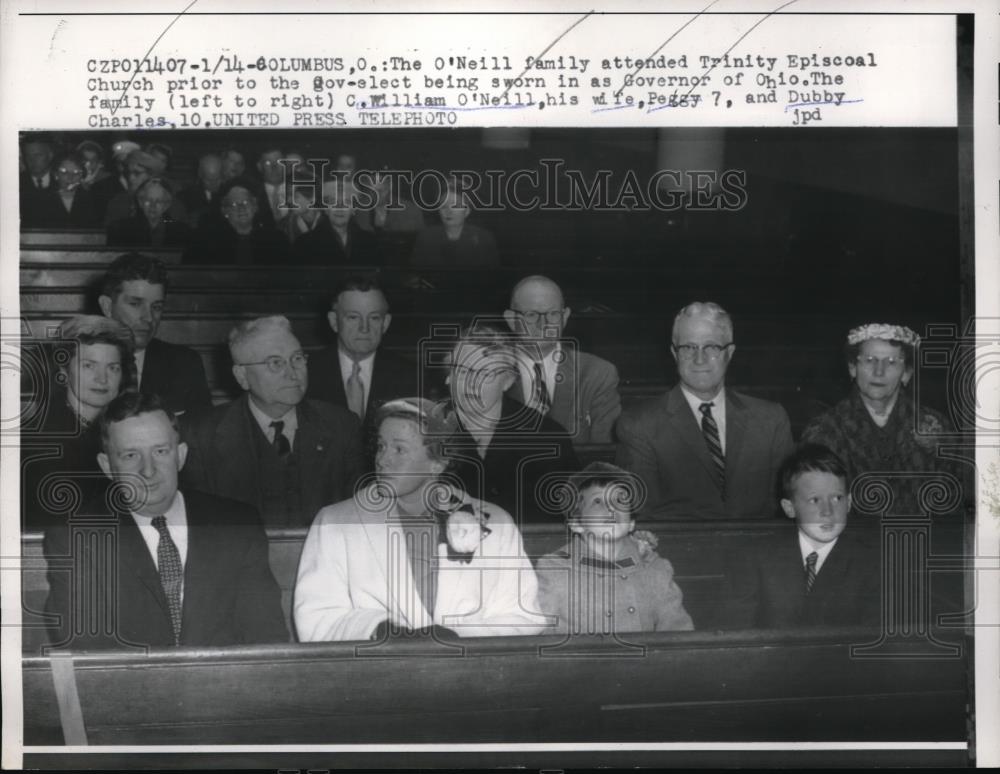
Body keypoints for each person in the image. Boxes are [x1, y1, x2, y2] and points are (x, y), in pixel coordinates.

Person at [42, 392, 288, 650]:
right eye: (130, 456)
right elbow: (87, 650)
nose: (148, 470)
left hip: (226, 685)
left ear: (180, 455)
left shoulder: (236, 525)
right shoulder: (76, 538)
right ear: (106, 466)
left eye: (160, 451)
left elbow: (266, 637)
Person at [294, 397, 545, 641]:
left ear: (438, 463)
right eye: (381, 446)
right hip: (376, 673)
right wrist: (379, 630)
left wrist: (458, 638)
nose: (382, 459)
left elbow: (521, 616)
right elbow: (317, 619)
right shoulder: (336, 523)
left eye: (399, 449)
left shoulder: (494, 524)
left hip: (470, 674)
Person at [615, 301, 794, 520]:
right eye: (688, 347)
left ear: (729, 353)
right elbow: (645, 515)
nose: (699, 359)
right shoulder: (639, 424)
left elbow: (785, 509)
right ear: (674, 353)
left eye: (711, 347)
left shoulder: (770, 420)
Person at [180, 316, 363, 529]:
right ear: (242, 376)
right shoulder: (201, 435)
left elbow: (356, 520)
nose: (292, 373)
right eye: (275, 363)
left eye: (297, 359)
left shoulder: (342, 426)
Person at [801, 323, 959, 517]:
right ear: (852, 368)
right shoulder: (824, 430)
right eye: (869, 360)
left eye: (891, 362)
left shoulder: (937, 426)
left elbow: (952, 506)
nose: (879, 371)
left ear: (907, 373)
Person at [719, 444, 881, 629]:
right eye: (814, 500)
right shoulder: (755, 559)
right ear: (789, 508)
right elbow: (736, 638)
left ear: (850, 503)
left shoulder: (873, 564)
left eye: (837, 498)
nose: (827, 512)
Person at [535, 462, 694, 634]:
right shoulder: (556, 570)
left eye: (620, 500)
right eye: (597, 502)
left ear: (631, 522)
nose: (611, 508)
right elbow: (542, 636)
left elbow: (677, 634)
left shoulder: (654, 568)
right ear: (576, 524)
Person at [443, 322, 579, 523]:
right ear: (449, 378)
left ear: (507, 381)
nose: (471, 384)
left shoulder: (545, 436)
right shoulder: (424, 430)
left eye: (485, 374)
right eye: (462, 372)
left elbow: (563, 516)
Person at [22, 315, 135, 530]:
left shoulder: (131, 427)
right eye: (89, 366)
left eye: (113, 368)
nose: (102, 379)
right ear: (64, 371)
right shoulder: (36, 441)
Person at [503, 275, 621, 445]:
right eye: (530, 315)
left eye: (552, 314)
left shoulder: (598, 373)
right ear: (511, 319)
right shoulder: (488, 373)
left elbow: (603, 455)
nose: (543, 325)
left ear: (564, 317)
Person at [98, 253, 211, 417]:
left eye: (156, 307)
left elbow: (204, 434)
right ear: (107, 307)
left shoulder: (184, 364)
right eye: (135, 304)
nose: (149, 318)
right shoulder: (78, 361)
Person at [306, 276, 417, 426]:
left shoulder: (411, 376)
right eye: (353, 317)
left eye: (374, 318)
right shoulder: (306, 372)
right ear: (334, 322)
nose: (364, 328)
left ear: (385, 323)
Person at [182, 176, 289, 264]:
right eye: (234, 204)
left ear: (255, 207)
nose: (241, 208)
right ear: (225, 211)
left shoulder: (276, 240)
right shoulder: (205, 242)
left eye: (246, 202)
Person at [410, 182, 499, 267]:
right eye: (444, 206)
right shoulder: (425, 237)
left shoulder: (484, 238)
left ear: (467, 211)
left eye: (455, 206)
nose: (448, 212)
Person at [103, 148, 188, 227]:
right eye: (128, 173)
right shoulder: (117, 202)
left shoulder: (169, 203)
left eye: (137, 173)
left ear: (151, 176)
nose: (130, 178)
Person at [107, 177, 193, 247]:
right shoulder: (120, 229)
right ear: (140, 202)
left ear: (166, 205)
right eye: (148, 200)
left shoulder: (182, 231)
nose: (153, 206)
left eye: (158, 201)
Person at [28, 151, 101, 228]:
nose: (70, 177)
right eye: (64, 172)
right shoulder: (39, 199)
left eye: (76, 173)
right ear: (56, 174)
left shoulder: (93, 200)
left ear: (82, 175)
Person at [177, 152, 223, 228]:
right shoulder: (185, 197)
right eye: (209, 180)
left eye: (217, 179)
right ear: (200, 175)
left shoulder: (229, 194)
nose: (213, 184)